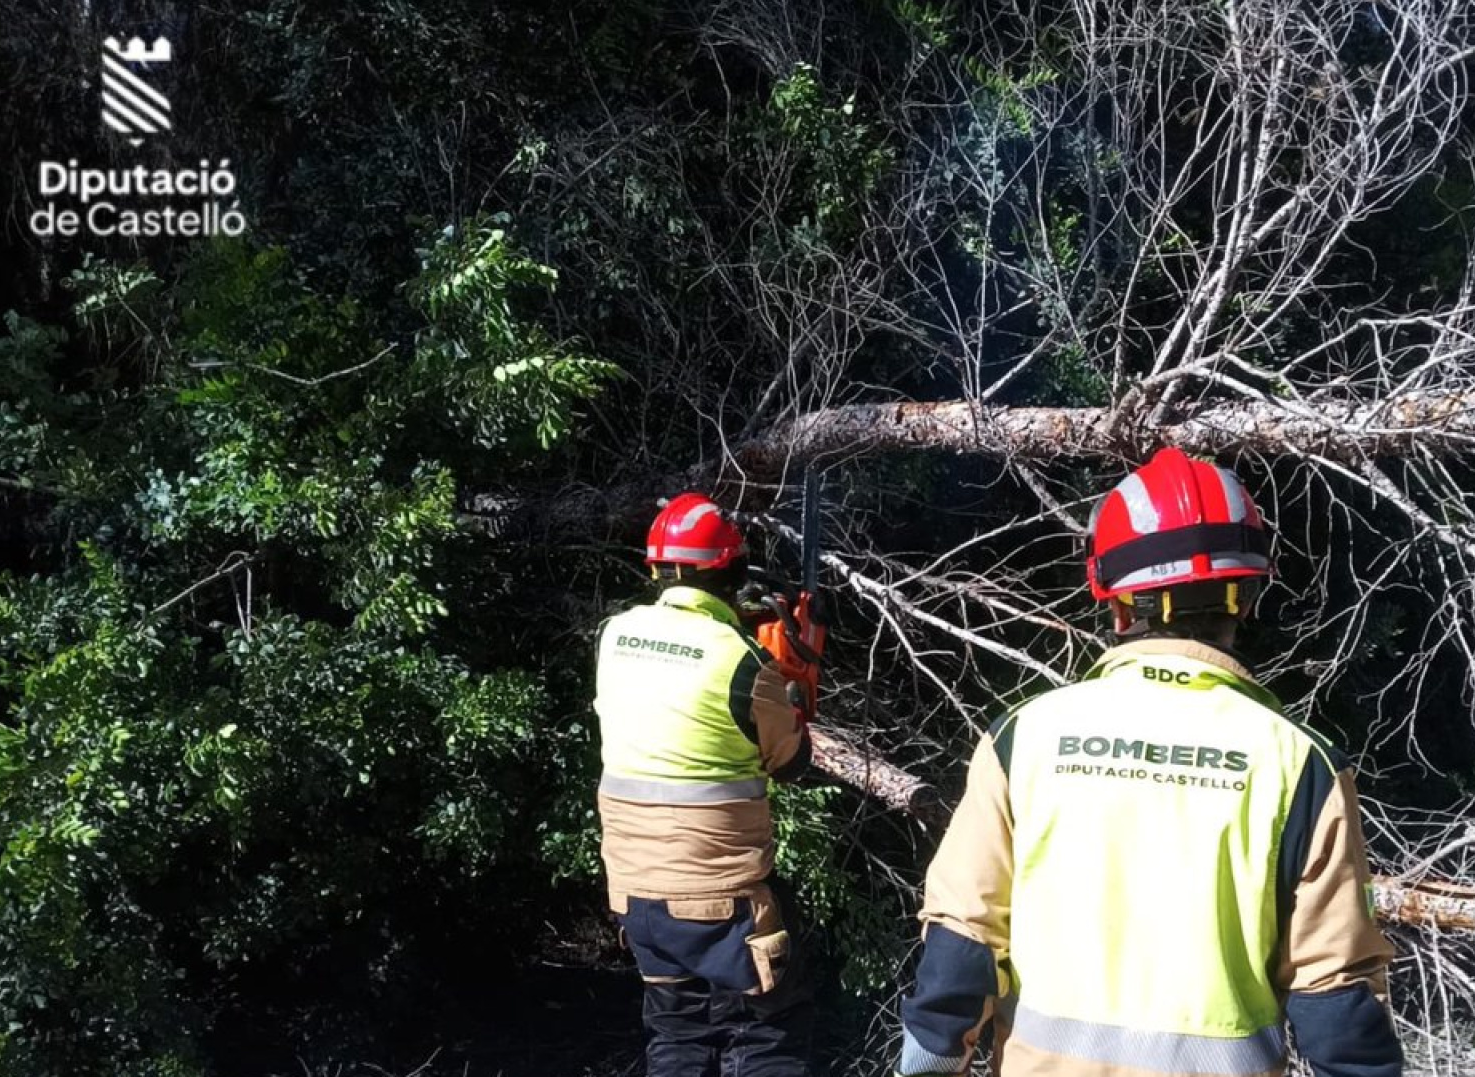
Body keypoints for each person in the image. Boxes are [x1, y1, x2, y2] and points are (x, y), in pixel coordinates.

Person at [896, 448, 1404, 1077]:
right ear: (1244, 596)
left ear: (1111, 600)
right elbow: (1337, 998)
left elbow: (961, 948)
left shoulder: (1024, 738)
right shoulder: (1300, 765)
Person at [594, 492, 817, 1077]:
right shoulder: (744, 663)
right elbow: (791, 764)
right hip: (723, 901)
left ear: (657, 569)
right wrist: (790, 687)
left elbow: (679, 674)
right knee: (762, 1037)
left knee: (678, 1036)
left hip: (637, 895)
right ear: (734, 569)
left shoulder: (615, 636)